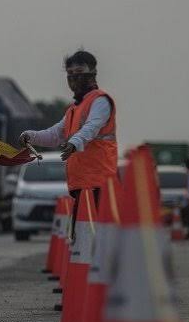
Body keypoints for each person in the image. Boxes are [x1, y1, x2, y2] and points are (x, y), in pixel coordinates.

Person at [19, 50, 117, 240]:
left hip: (100, 185)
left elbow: (92, 127)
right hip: (81, 185)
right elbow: (55, 135)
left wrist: (74, 143)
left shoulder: (101, 101)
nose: (74, 77)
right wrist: (31, 136)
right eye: (70, 74)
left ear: (93, 73)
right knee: (82, 242)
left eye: (79, 71)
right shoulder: (74, 109)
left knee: (96, 241)